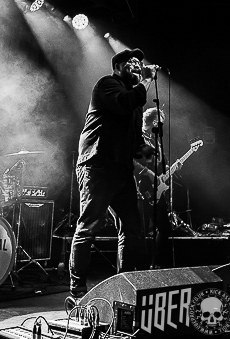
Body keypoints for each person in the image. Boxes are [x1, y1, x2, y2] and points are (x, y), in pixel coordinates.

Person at [68, 48, 157, 300]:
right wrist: (148, 80)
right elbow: (122, 104)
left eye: (141, 63)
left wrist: (143, 149)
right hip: (97, 166)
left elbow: (134, 136)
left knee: (132, 229)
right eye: (132, 62)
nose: (138, 66)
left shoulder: (135, 102)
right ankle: (78, 290)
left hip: (121, 170)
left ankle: (123, 285)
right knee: (88, 227)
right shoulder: (108, 84)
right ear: (117, 66)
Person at [134, 107, 174, 268]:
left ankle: (155, 265)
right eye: (161, 123)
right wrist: (149, 173)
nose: (162, 126)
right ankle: (140, 268)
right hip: (142, 189)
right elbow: (132, 161)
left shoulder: (155, 140)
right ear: (155, 122)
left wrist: (167, 171)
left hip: (157, 190)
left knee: (164, 228)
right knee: (141, 231)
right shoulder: (138, 136)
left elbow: (159, 166)